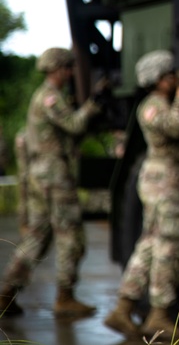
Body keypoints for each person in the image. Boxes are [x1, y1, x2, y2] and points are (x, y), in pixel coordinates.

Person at [104, 49, 179, 339]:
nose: (174, 80)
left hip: (163, 178)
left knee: (150, 244)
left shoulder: (162, 101)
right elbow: (177, 125)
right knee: (170, 243)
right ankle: (159, 314)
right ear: (156, 80)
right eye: (169, 76)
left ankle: (123, 307)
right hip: (166, 179)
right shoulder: (151, 107)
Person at [0, 47, 104, 318]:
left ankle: (6, 293)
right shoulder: (50, 98)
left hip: (41, 176)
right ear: (57, 69)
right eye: (67, 67)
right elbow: (74, 125)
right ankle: (65, 297)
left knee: (37, 237)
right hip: (54, 175)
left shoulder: (46, 96)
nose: (70, 73)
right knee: (71, 236)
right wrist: (93, 106)